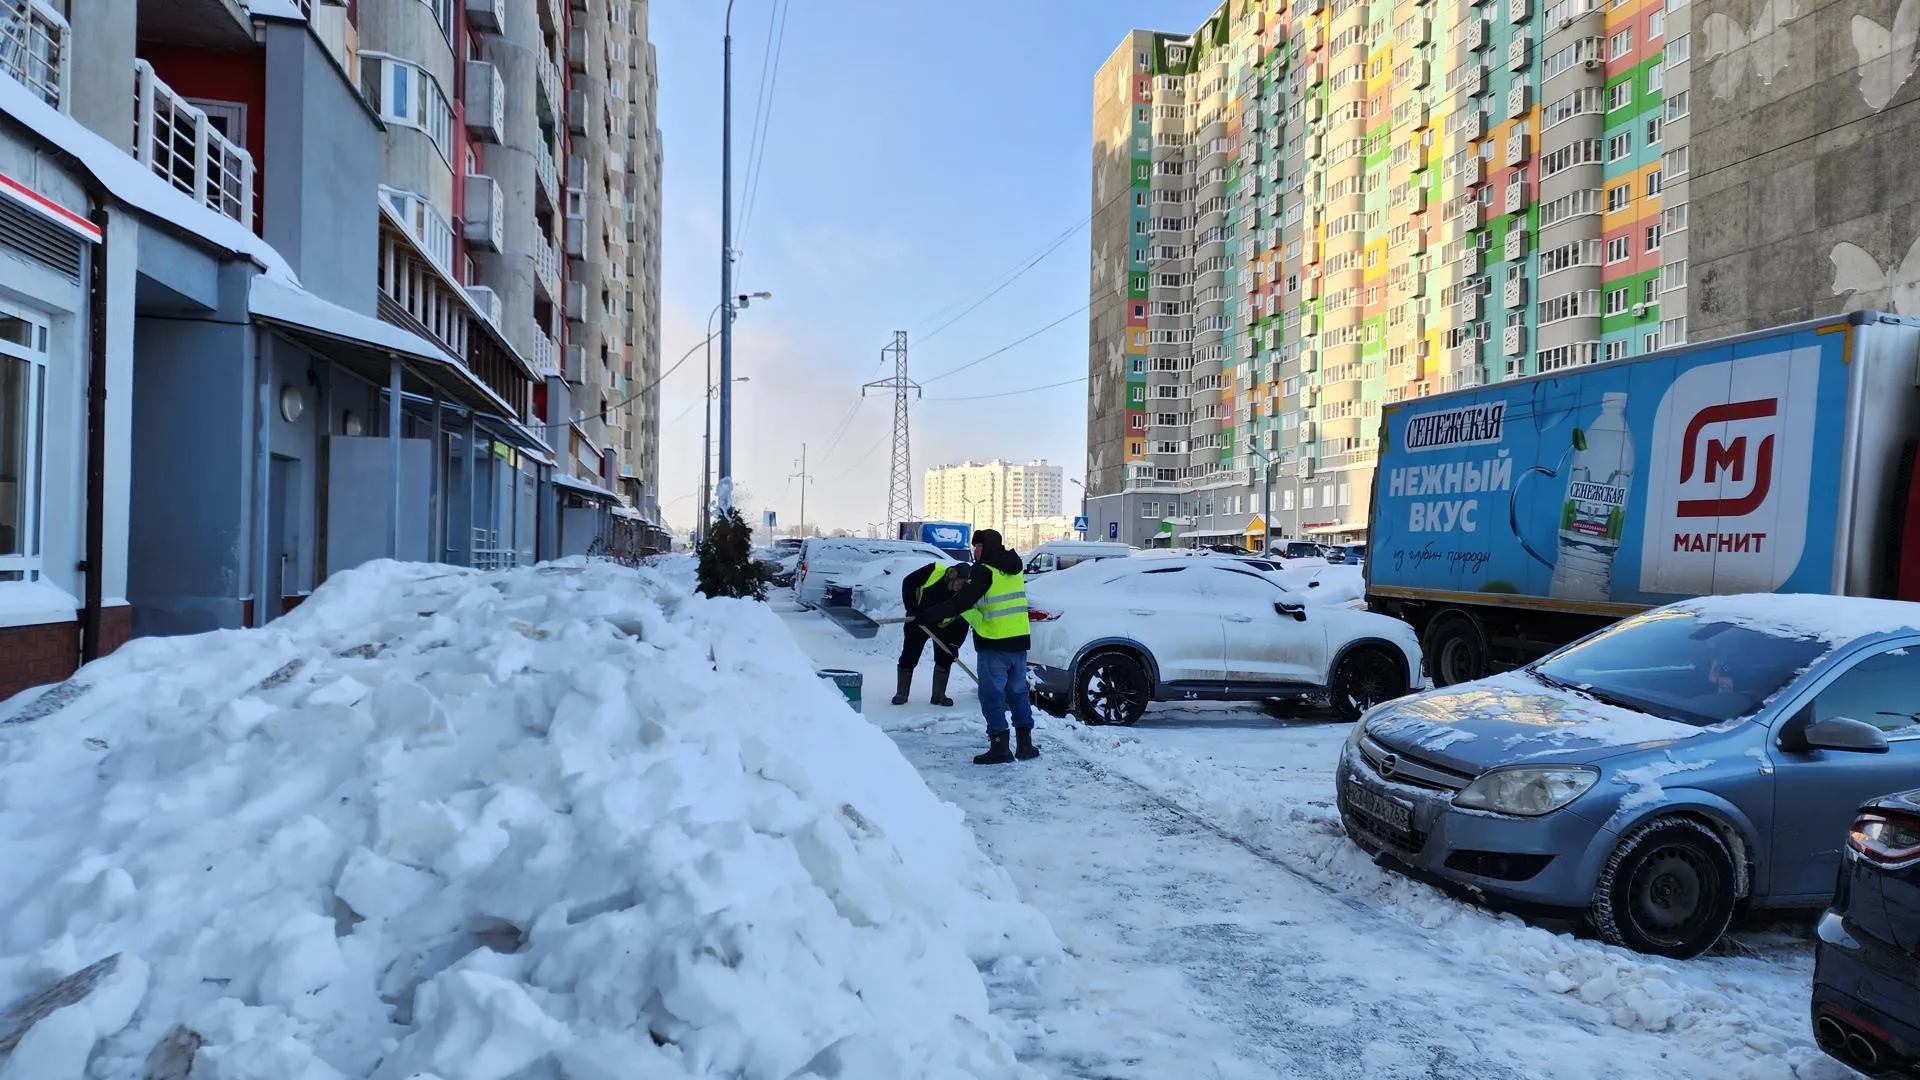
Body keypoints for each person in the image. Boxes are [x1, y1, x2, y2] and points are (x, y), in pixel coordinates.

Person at [914, 529, 1037, 765]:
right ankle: (1025, 745)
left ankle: (1000, 746)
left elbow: (961, 602)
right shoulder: (1012, 567)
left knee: (992, 695)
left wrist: (927, 615)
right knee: (1018, 693)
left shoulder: (984, 570)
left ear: (988, 547)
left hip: (994, 645)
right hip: (1019, 643)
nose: (975, 551)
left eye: (978, 546)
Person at [893, 560, 969, 707]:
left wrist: (954, 645)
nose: (958, 588)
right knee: (910, 654)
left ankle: (938, 696)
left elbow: (963, 620)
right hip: (917, 619)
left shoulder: (966, 593)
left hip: (943, 626)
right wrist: (912, 608)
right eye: (959, 583)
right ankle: (901, 693)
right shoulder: (934, 570)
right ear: (952, 574)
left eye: (963, 585)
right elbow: (908, 582)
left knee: (945, 657)